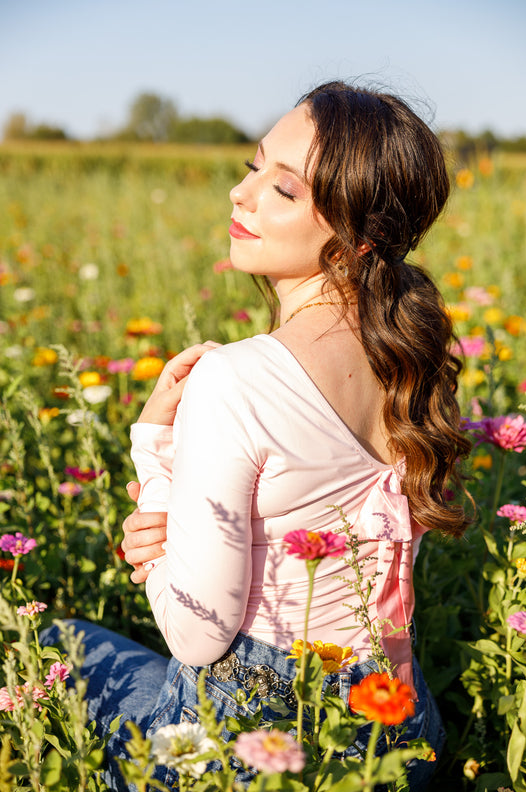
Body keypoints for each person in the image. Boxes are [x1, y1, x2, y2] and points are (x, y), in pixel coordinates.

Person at [44, 81, 472, 790]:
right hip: (394, 732)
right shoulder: (412, 358)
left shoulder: (237, 379)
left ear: (357, 234)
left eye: (283, 188)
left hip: (249, 740)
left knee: (46, 645)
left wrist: (153, 453)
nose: (241, 197)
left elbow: (197, 635)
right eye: (252, 168)